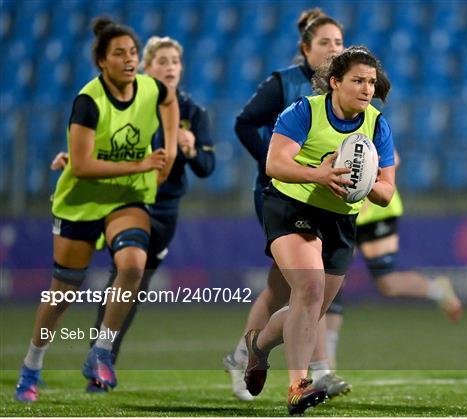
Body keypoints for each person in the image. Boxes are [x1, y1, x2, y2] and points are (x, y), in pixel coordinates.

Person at [14, 17, 179, 402]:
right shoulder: (89, 100)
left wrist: (168, 148)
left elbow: (168, 99)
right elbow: (83, 166)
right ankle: (31, 368)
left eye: (133, 53)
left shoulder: (150, 88)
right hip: (81, 200)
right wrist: (142, 164)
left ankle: (101, 351)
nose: (129, 59)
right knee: (62, 294)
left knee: (134, 265)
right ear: (102, 62)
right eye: (119, 53)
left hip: (126, 197)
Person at [49, 35, 216, 392]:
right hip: (121, 199)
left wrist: (188, 151)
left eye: (175, 61)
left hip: (163, 209)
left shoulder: (193, 113)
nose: (170, 67)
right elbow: (103, 142)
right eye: (163, 61)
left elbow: (207, 166)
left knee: (130, 286)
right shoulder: (136, 99)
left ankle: (102, 356)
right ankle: (92, 359)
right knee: (112, 276)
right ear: (147, 68)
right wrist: (71, 160)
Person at [243, 46, 395, 415]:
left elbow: (386, 193)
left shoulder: (376, 125)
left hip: (340, 220)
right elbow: (275, 163)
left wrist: (367, 183)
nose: (366, 89)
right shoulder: (304, 111)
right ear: (334, 82)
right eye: (357, 80)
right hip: (292, 206)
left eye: (371, 82)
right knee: (308, 288)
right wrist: (320, 174)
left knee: (310, 309)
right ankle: (298, 386)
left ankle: (258, 346)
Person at [224, 8, 351, 401]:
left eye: (338, 42)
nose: (333, 48)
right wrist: (278, 162)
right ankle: (309, 370)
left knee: (288, 289)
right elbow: (245, 122)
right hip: (282, 198)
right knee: (304, 285)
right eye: (325, 42)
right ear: (305, 49)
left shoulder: (344, 88)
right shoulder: (284, 84)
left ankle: (247, 353)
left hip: (326, 200)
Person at [324, 154, 463, 369]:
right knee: (332, 280)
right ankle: (327, 359)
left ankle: (437, 288)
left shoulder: (371, 121)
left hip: (377, 211)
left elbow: (393, 159)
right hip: (339, 210)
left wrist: (366, 185)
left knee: (387, 283)